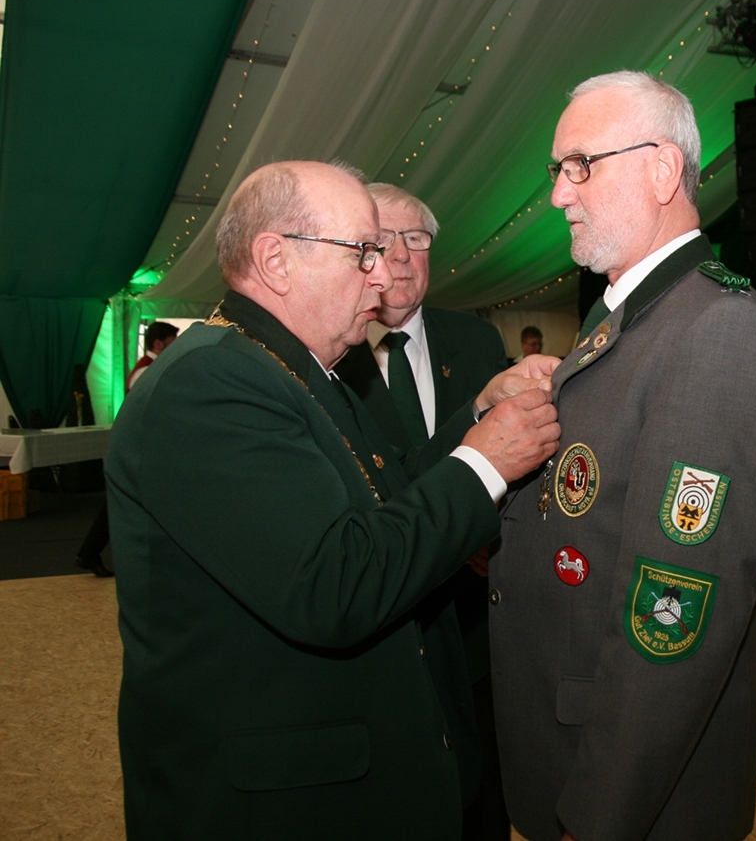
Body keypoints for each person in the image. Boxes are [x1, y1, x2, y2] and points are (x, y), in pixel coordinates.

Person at [106, 160, 560, 840]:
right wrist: (486, 463)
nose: (382, 275)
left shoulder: (292, 367)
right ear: (276, 260)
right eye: (362, 252)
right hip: (274, 804)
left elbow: (391, 489)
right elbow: (335, 582)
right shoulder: (208, 385)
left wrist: (478, 415)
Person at [489, 71, 756, 841]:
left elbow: (673, 614)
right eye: (557, 169)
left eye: (580, 165)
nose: (558, 194)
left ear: (663, 171)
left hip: (633, 793)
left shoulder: (716, 328)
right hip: (571, 745)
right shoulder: (632, 315)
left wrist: (597, 817)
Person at [334, 181, 514, 840]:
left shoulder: (476, 340)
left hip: (477, 613)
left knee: (485, 785)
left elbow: (516, 462)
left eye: (417, 238)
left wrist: (494, 532)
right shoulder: (330, 352)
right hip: (386, 623)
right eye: (383, 240)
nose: (402, 256)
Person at [125, 321, 178, 392]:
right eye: (173, 344)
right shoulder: (145, 371)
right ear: (158, 344)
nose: (176, 349)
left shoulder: (153, 367)